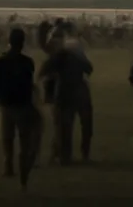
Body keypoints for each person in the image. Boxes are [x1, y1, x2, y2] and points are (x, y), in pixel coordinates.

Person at [0, 27, 41, 190]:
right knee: (24, 139)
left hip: (5, 103)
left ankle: (8, 166)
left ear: (9, 41)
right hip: (23, 104)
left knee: (6, 137)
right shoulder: (27, 62)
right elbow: (29, 82)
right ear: (23, 42)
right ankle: (23, 168)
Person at [40, 27, 94, 164]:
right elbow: (89, 68)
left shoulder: (58, 56)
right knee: (82, 125)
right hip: (79, 91)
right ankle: (83, 153)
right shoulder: (74, 55)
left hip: (65, 93)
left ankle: (65, 156)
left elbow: (43, 72)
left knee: (64, 126)